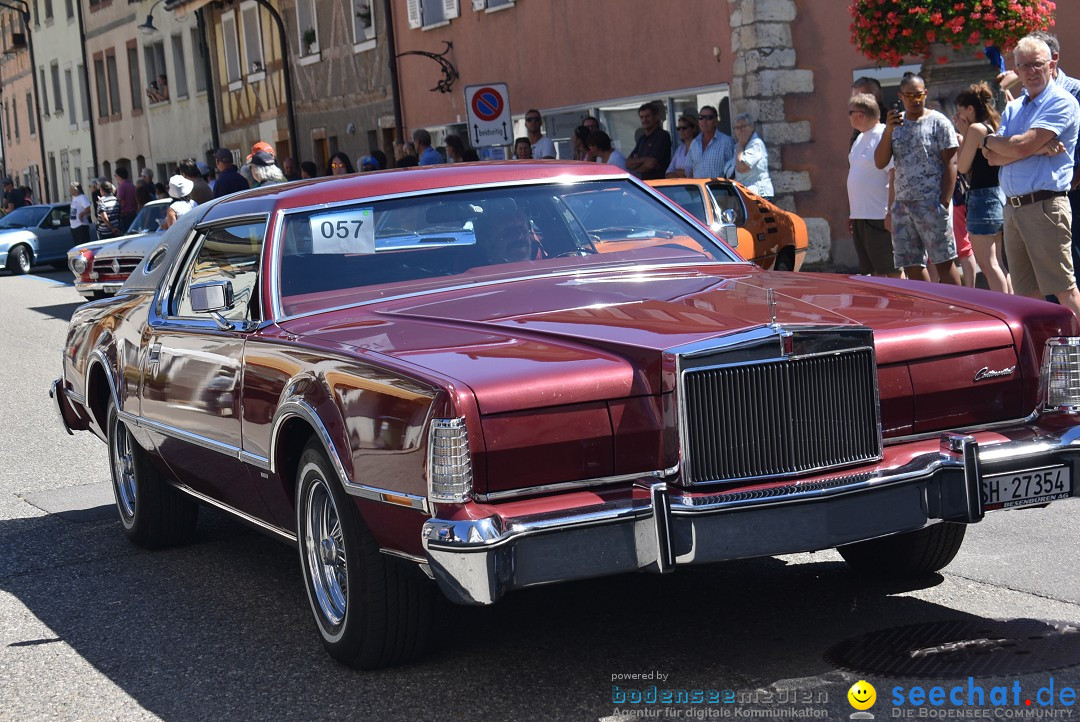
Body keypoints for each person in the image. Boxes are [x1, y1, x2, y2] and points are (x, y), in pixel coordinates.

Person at [983, 36, 1080, 315]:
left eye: (1037, 64)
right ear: (1016, 70)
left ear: (1051, 64)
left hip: (1045, 206)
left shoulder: (1061, 101)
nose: (1031, 71)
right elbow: (992, 157)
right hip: (1013, 209)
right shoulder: (1014, 107)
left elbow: (1020, 145)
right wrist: (995, 142)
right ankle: (1041, 355)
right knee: (1027, 296)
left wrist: (1015, 146)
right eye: (1024, 66)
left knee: (1064, 289)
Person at [875, 73, 961, 284]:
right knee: (911, 265)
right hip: (902, 206)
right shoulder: (895, 126)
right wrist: (888, 131)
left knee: (943, 262)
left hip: (931, 203)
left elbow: (951, 163)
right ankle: (928, 309)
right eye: (909, 95)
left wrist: (944, 202)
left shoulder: (938, 122)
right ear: (900, 96)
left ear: (925, 94)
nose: (915, 100)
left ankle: (960, 309)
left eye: (919, 95)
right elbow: (880, 162)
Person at [954, 82, 1011, 293]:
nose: (959, 117)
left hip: (982, 198)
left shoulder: (976, 129)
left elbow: (962, 165)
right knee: (999, 263)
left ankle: (1004, 310)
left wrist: (963, 133)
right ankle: (1012, 306)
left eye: (961, 112)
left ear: (970, 109)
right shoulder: (992, 126)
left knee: (987, 265)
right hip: (998, 196)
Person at [847, 93, 899, 278]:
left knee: (891, 270)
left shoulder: (883, 134)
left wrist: (891, 212)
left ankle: (902, 306)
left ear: (860, 114)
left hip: (879, 215)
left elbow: (894, 174)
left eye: (850, 112)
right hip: (860, 216)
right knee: (873, 273)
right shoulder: (860, 138)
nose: (848, 116)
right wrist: (852, 213)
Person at [473, 204, 542, 265]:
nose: (519, 236)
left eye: (523, 229)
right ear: (486, 240)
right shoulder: (472, 277)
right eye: (508, 231)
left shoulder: (547, 269)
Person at [730, 112, 774, 198]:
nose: (740, 131)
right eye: (737, 128)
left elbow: (741, 168)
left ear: (752, 127)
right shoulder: (738, 147)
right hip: (746, 194)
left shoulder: (756, 144)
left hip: (759, 194)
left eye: (743, 126)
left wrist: (740, 146)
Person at [686, 105, 735, 179]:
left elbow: (733, 171)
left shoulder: (726, 142)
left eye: (708, 118)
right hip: (699, 189)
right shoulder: (694, 143)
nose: (704, 121)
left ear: (715, 121)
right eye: (701, 118)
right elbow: (689, 171)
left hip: (719, 189)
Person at [626, 102, 672, 181]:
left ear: (656, 117)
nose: (644, 120)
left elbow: (651, 164)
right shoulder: (642, 139)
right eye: (642, 117)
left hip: (658, 186)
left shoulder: (663, 136)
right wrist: (644, 160)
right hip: (643, 185)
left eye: (648, 116)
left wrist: (636, 165)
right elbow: (628, 163)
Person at [665, 113, 699, 178]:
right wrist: (682, 174)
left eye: (684, 128)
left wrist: (676, 172)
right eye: (678, 128)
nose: (681, 131)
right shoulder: (679, 149)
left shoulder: (700, 148)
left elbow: (695, 174)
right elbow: (668, 172)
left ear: (693, 128)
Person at [68, 182, 92, 246]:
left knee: (83, 246)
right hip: (74, 226)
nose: (69, 191)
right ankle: (79, 255)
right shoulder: (74, 198)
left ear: (76, 189)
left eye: (71, 189)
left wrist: (81, 214)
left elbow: (89, 209)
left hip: (81, 225)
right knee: (77, 246)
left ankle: (84, 255)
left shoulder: (82, 197)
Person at [114, 167, 137, 231]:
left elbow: (119, 200)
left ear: (119, 176)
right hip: (133, 213)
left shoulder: (122, 186)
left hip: (126, 215)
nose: (115, 178)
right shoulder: (131, 185)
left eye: (115, 175)